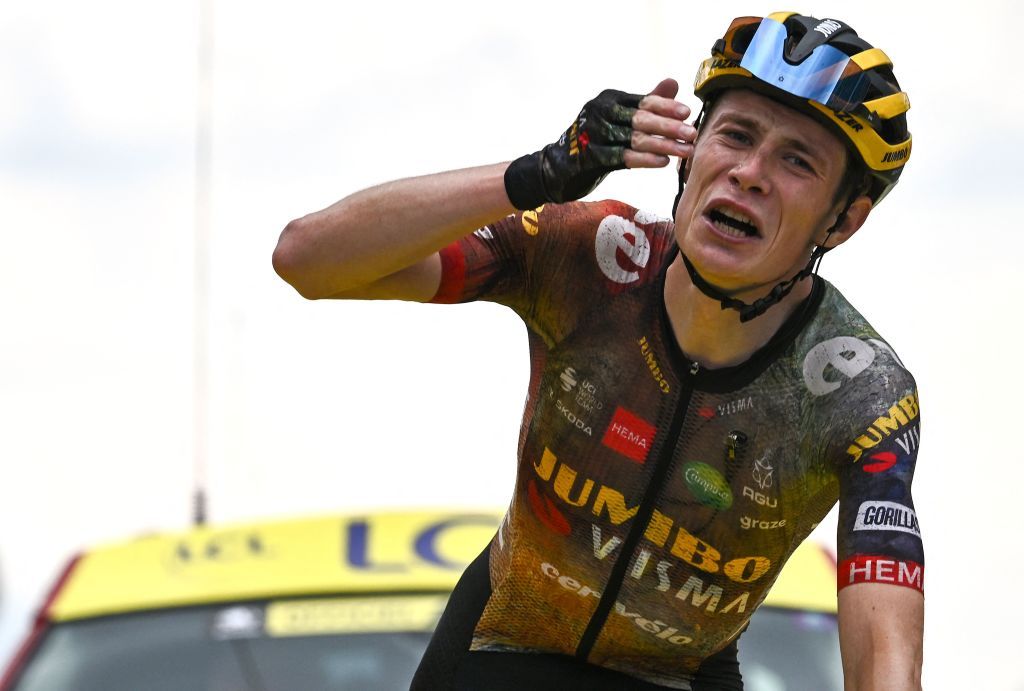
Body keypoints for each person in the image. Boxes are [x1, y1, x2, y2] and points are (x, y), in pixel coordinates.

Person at [273, 11, 923, 691]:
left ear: (844, 218)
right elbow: (306, 259)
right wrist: (536, 174)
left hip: (676, 677)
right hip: (499, 649)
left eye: (797, 161)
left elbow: (885, 656)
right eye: (734, 136)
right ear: (691, 151)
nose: (749, 173)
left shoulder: (856, 390)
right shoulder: (592, 254)